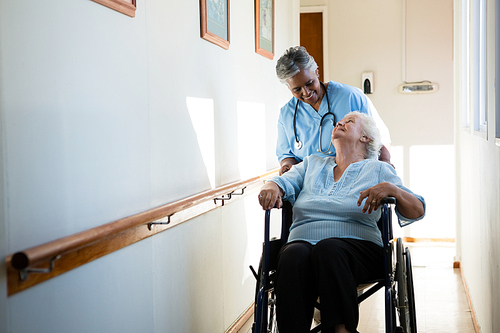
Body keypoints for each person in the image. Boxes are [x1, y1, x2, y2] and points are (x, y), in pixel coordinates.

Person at [258, 111, 425, 333]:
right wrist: (271, 186)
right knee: (291, 254)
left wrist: (392, 189)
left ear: (365, 138)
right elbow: (283, 182)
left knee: (329, 248)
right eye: (340, 121)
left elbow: (417, 210)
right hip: (303, 243)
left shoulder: (378, 169)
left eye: (349, 122)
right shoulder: (311, 164)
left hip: (358, 250)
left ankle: (341, 330)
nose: (340, 123)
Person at [275, 46, 392, 175]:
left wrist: (384, 170)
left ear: (317, 73)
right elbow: (286, 155)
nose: (306, 92)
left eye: (309, 83)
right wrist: (287, 167)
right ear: (288, 87)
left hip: (355, 178)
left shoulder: (350, 97)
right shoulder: (287, 114)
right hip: (309, 185)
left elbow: (380, 140)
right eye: (297, 89)